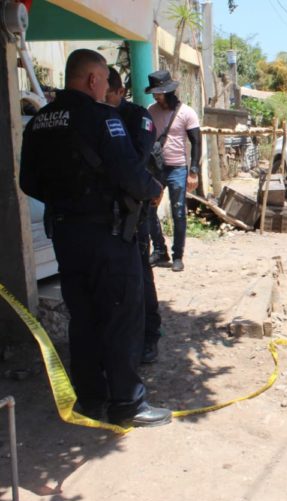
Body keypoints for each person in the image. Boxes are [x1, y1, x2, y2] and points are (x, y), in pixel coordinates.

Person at [19, 49, 172, 427]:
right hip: (107, 235)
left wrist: (64, 201)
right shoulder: (103, 118)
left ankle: (90, 398)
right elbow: (127, 170)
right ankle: (127, 403)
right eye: (104, 79)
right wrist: (152, 189)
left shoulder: (38, 122)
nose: (106, 87)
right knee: (122, 315)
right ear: (91, 79)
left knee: (83, 317)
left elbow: (28, 182)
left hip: (66, 236)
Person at [105, 67, 162, 364]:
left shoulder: (137, 118)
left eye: (107, 95)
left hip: (132, 212)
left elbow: (136, 164)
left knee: (140, 276)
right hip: (103, 217)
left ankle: (149, 336)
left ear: (119, 92)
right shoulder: (93, 117)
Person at [145, 70, 201, 272]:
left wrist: (193, 171)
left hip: (178, 168)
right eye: (154, 93)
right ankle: (160, 250)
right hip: (155, 170)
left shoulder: (187, 112)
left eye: (159, 93)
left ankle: (178, 255)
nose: (156, 96)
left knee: (178, 212)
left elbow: (196, 142)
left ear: (168, 91)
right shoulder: (150, 111)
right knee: (149, 210)